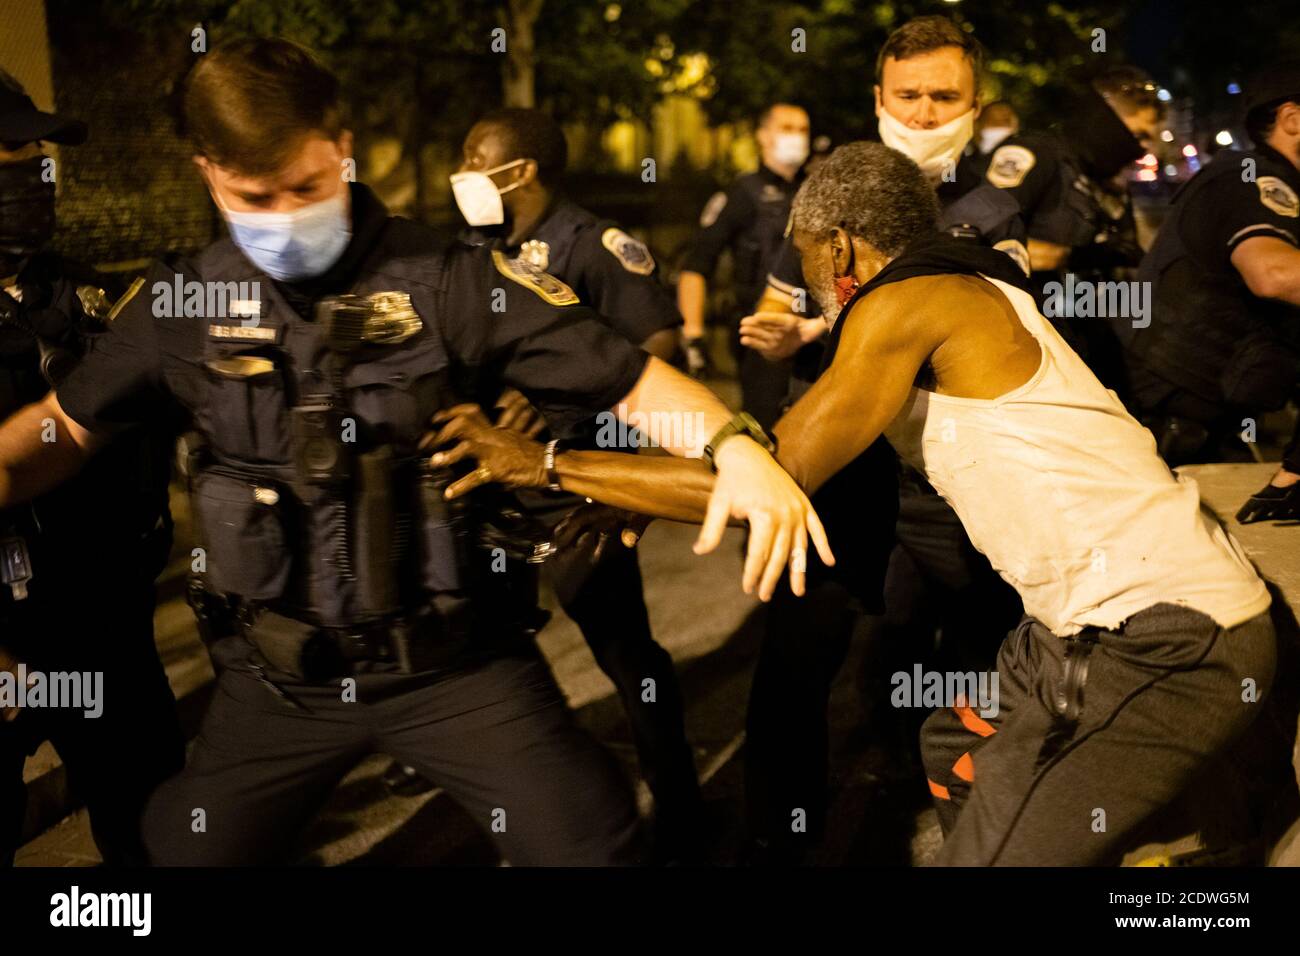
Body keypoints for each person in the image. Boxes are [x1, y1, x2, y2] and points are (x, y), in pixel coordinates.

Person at [0, 39, 827, 866]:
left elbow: (635, 383)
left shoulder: (451, 280)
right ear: (208, 171)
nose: (287, 216)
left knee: (591, 841)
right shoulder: (183, 303)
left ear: (343, 146)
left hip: (454, 667)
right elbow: (58, 433)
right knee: (181, 852)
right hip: (278, 681)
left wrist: (734, 446)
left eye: (308, 186)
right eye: (257, 195)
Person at [432, 141, 1276, 866]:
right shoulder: (962, 283)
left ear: (837, 246)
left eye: (801, 258)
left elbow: (773, 475)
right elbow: (771, 449)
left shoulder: (904, 303)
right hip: (1085, 627)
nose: (803, 282)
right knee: (953, 745)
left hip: (1158, 634)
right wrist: (639, 491)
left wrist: (544, 463)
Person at [737, 15, 1029, 861]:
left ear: (977, 103)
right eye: (910, 96)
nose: (928, 112)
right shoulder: (829, 196)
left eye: (947, 96)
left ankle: (959, 813)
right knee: (797, 654)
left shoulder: (994, 207)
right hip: (841, 459)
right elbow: (775, 305)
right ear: (879, 99)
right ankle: (772, 837)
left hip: (947, 474)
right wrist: (790, 332)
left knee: (979, 644)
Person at [380, 107, 704, 859]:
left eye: (472, 156)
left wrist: (568, 408)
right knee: (477, 646)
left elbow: (657, 348)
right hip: (487, 486)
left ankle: (680, 801)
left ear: (517, 170)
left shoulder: (594, 244)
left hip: (572, 492)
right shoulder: (468, 249)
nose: (462, 171)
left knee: (624, 650)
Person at [0, 69, 182, 865]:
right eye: (11, 151)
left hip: (104, 622)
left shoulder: (84, 295)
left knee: (148, 823)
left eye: (40, 152)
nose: (35, 171)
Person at [1119, 61, 1300, 522]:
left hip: (1209, 421)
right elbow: (1274, 273)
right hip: (1173, 431)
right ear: (1293, 120)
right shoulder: (1251, 178)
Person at [984, 66, 1164, 390]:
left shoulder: (1100, 179)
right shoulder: (1036, 155)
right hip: (1023, 345)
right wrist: (1072, 256)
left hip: (1083, 339)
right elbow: (976, 236)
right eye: (1138, 135)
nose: (1142, 149)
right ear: (1105, 119)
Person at [678, 102, 810, 428]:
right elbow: (696, 265)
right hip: (760, 333)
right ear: (763, 136)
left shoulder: (815, 189)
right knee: (767, 429)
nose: (797, 137)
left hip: (812, 333)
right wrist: (694, 336)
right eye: (787, 128)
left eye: (803, 130)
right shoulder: (742, 193)